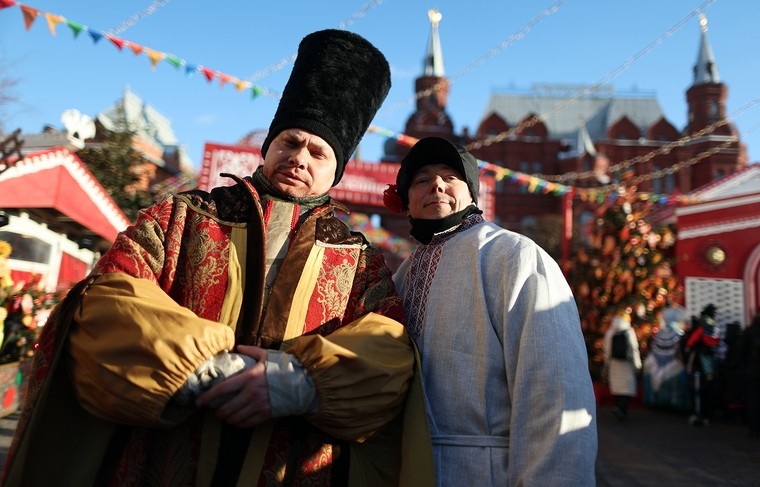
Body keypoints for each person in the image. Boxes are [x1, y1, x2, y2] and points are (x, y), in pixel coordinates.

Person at [2, 30, 434, 486]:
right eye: (290, 141)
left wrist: (302, 384)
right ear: (268, 146)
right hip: (167, 456)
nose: (299, 157)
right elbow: (106, 300)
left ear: (336, 170)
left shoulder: (360, 262)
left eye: (318, 151)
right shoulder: (181, 217)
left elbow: (389, 350)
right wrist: (197, 368)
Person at [383, 136, 597, 485]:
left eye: (450, 177)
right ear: (406, 203)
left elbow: (556, 395)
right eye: (421, 180)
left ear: (472, 194)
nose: (436, 184)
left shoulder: (514, 255)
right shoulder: (401, 276)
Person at [643, 302, 689, 412]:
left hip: (655, 364)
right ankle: (674, 403)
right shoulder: (678, 334)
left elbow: (654, 348)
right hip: (674, 366)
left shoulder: (660, 333)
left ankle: (657, 401)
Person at [603, 309, 642, 421]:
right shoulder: (629, 332)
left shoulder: (610, 332)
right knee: (626, 388)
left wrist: (607, 363)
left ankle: (618, 407)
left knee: (617, 388)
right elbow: (634, 349)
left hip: (614, 364)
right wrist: (637, 365)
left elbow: (607, 349)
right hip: (626, 364)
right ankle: (622, 409)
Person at [685, 303, 720, 426]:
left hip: (698, 363)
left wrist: (689, 348)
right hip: (711, 361)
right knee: (708, 389)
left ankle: (696, 414)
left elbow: (692, 341)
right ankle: (706, 415)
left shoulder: (701, 327)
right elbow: (717, 342)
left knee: (696, 390)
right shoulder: (714, 326)